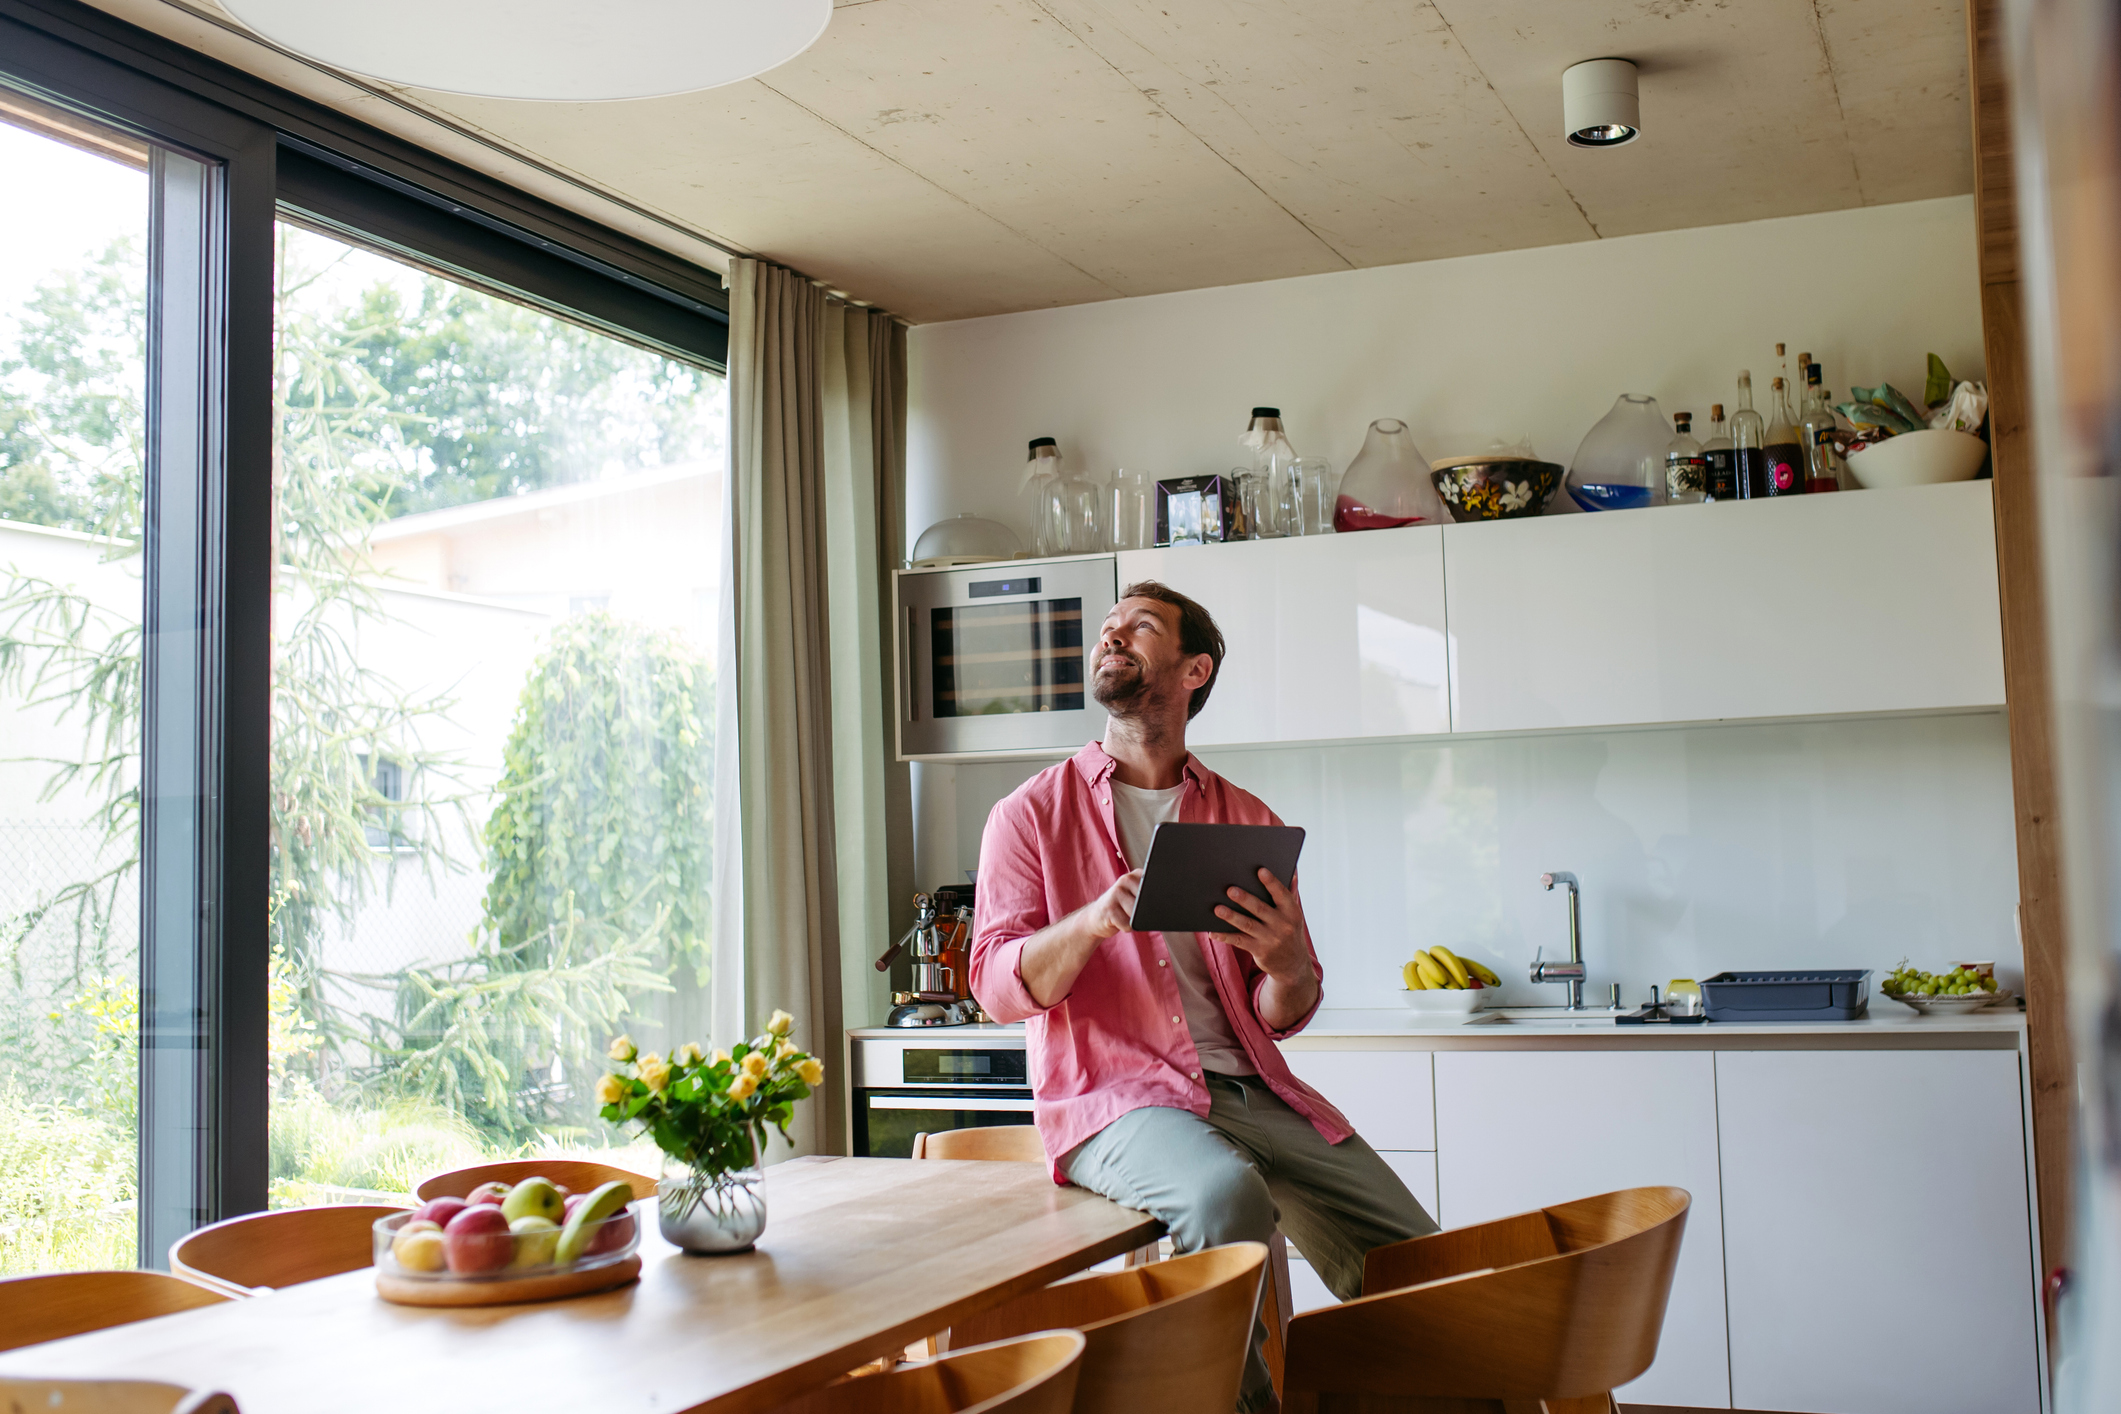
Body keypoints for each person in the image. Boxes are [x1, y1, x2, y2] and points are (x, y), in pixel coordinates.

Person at [969, 580, 1438, 1413]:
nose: (1111, 636)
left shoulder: (1244, 819)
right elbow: (995, 989)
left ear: (1194, 670)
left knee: (1425, 1265)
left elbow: (1279, 1009)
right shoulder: (1027, 815)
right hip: (1115, 1102)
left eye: (1138, 627)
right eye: (1107, 628)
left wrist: (1292, 965)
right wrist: (1086, 925)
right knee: (1227, 1198)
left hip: (1250, 1090)